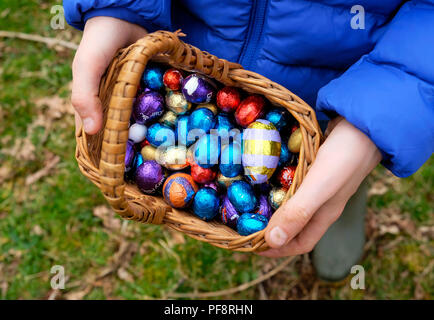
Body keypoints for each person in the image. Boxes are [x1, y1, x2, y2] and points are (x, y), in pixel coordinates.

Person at [63, 0, 434, 281]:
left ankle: (344, 196)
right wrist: (117, 7)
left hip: (344, 81)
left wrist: (376, 117)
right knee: (258, 176)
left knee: (334, 168)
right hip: (191, 44)